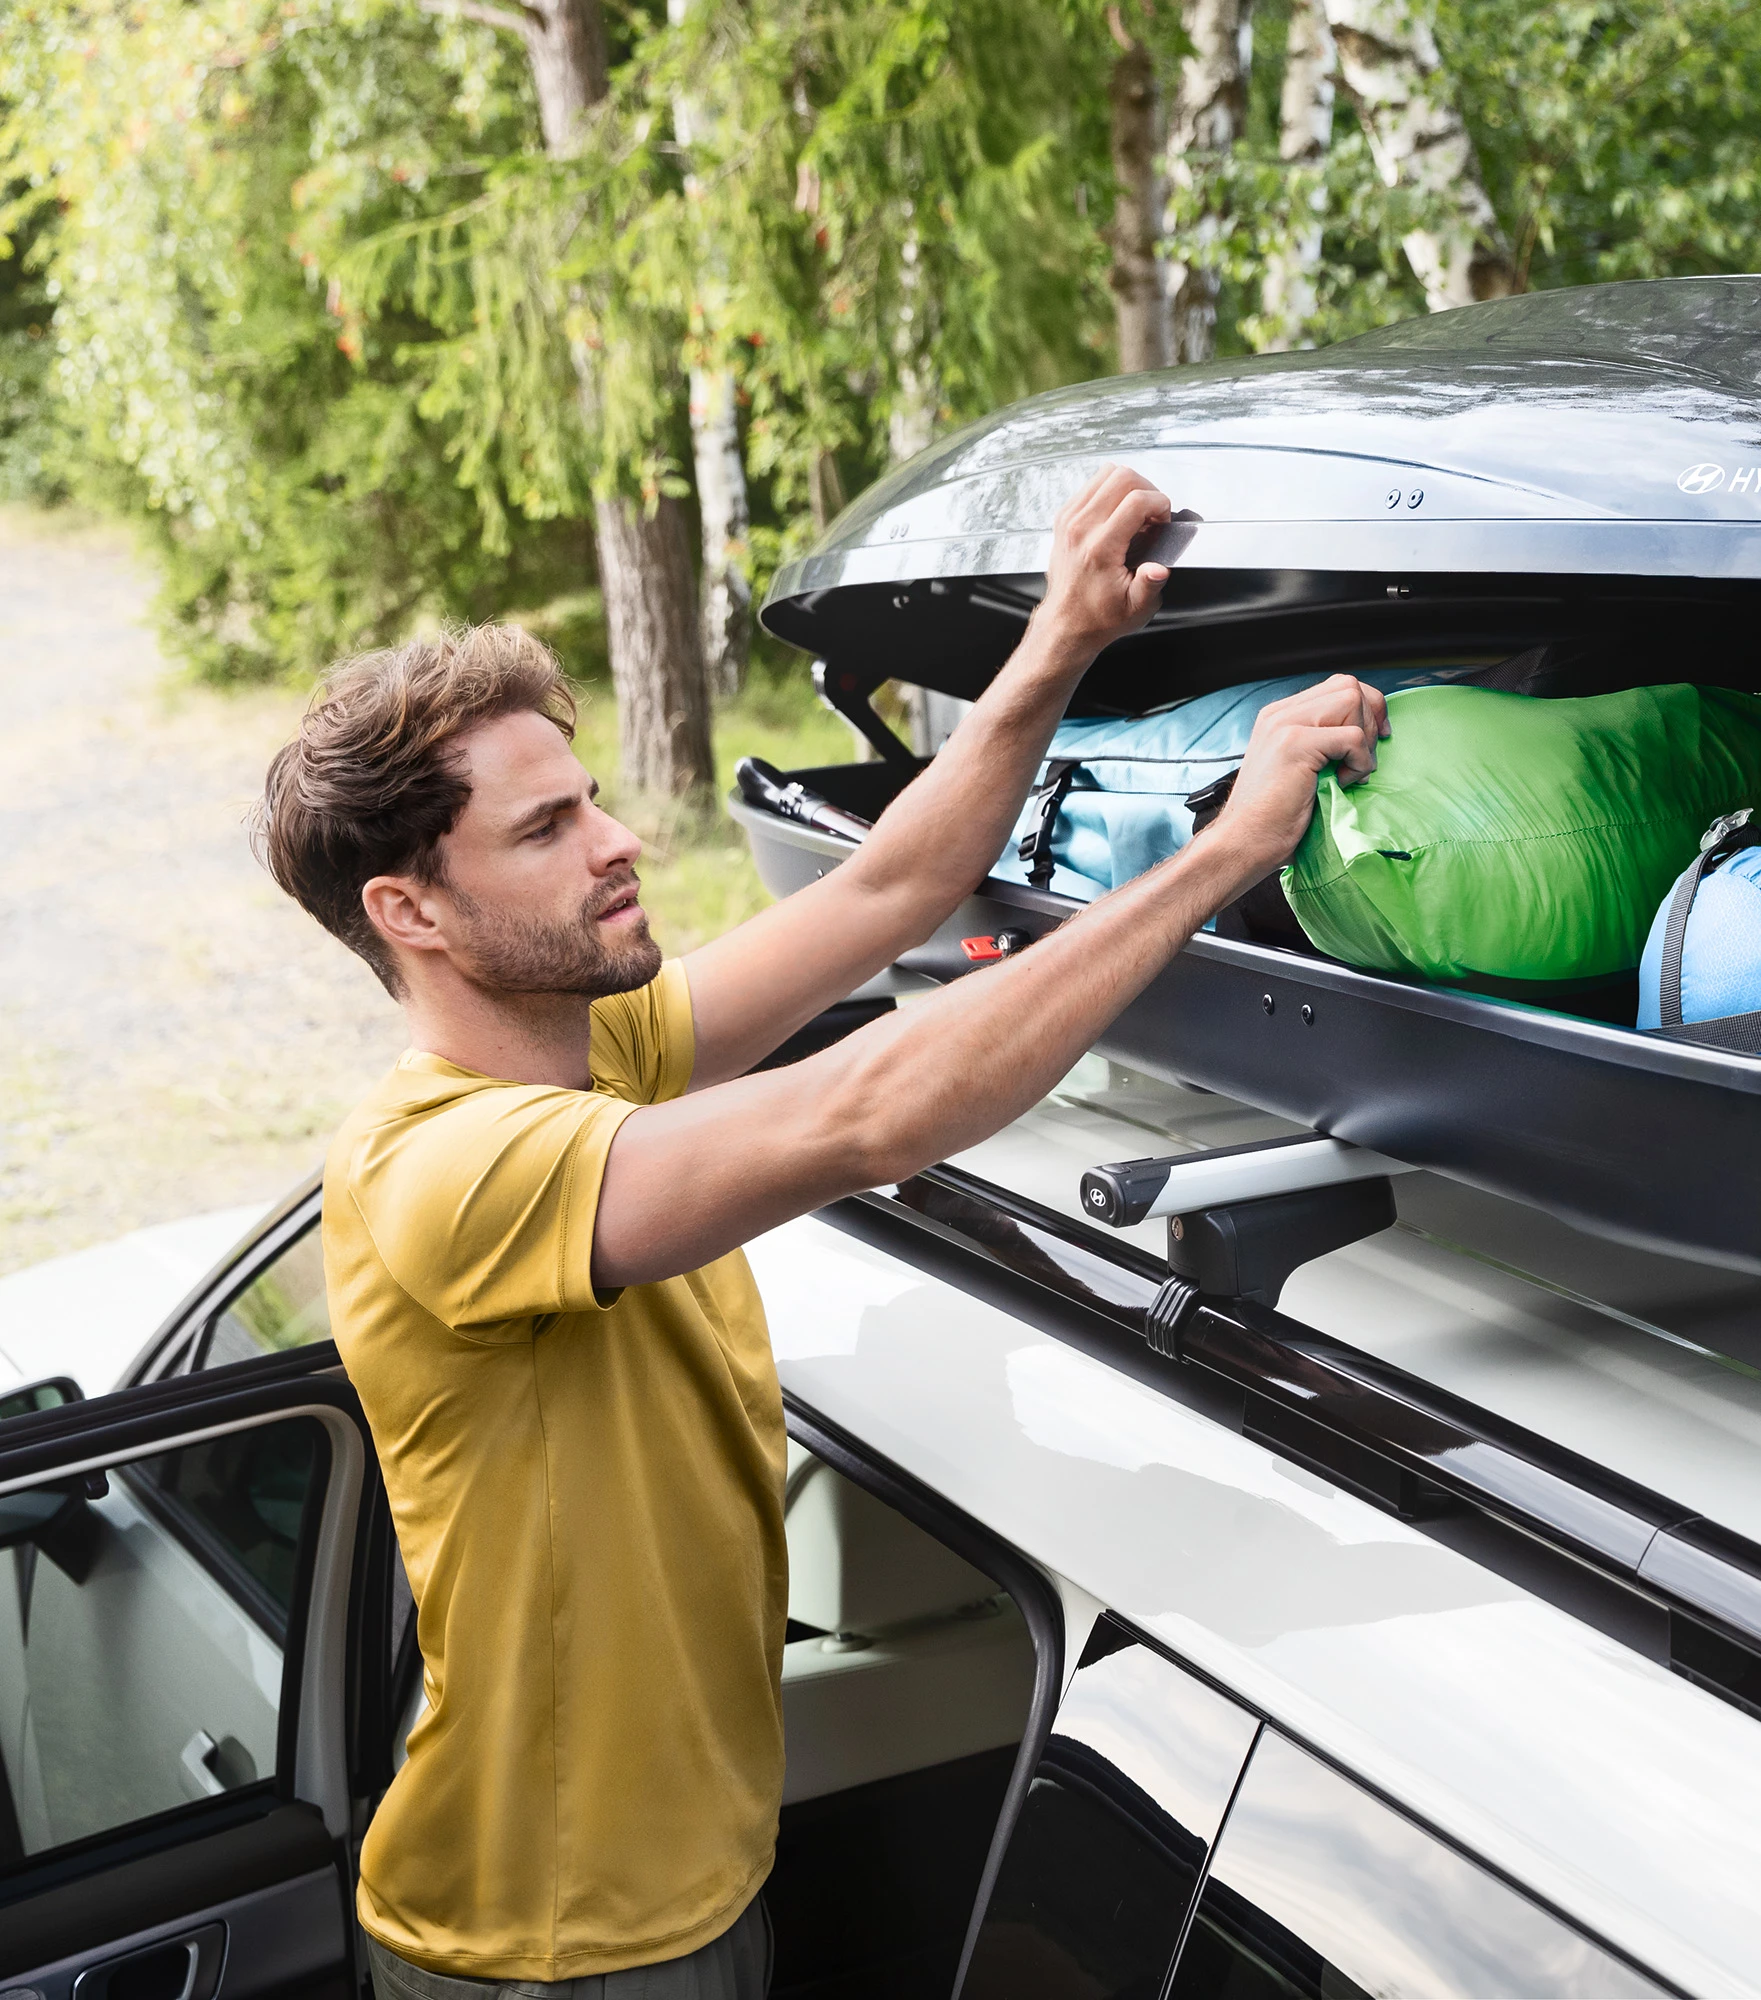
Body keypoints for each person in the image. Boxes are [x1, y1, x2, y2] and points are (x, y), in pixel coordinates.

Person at [254, 467, 1384, 1997]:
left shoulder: (605, 1050)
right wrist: (1224, 853)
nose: (620, 842)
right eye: (548, 828)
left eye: (589, 796)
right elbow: (871, 1112)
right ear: (412, 913)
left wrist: (1059, 641)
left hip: (702, 1883)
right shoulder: (443, 1175)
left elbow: (896, 883)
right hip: (549, 1950)